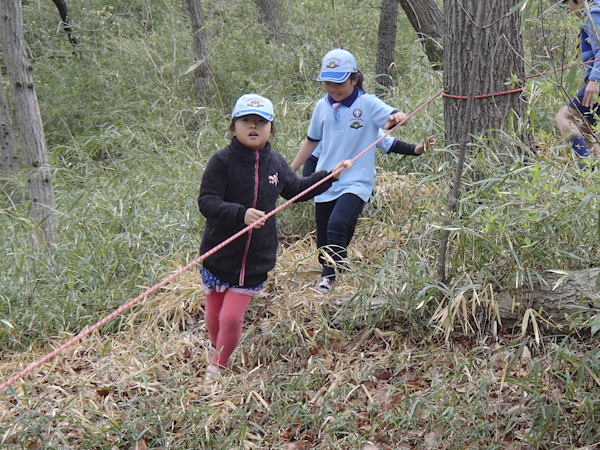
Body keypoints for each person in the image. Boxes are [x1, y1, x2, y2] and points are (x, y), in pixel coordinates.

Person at [198, 93, 351, 382]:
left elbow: (296, 190)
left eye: (261, 122)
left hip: (256, 260)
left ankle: (218, 366)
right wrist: (240, 214)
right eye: (246, 121)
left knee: (231, 318)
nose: (253, 127)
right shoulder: (221, 162)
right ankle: (214, 345)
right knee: (214, 315)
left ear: (271, 129)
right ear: (234, 127)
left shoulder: (276, 163)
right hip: (219, 256)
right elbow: (206, 201)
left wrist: (330, 176)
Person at [290, 48, 434, 293]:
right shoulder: (321, 107)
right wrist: (289, 171)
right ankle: (336, 269)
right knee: (324, 239)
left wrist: (396, 117)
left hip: (356, 182)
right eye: (327, 82)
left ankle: (330, 277)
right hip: (326, 181)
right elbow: (311, 142)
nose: (333, 89)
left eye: (340, 82)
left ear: (354, 79)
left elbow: (389, 117)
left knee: (338, 223)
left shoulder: (366, 104)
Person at [555, 0, 600, 168]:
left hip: (598, 80)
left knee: (563, 117)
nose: (569, 10)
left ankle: (586, 167)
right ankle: (595, 176)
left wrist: (595, 80)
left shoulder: (593, 14)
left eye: (569, 4)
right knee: (586, 128)